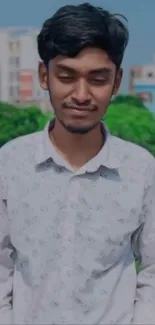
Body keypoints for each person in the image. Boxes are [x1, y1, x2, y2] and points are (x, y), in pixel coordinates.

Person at [0, 3, 155, 325]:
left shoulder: (141, 170)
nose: (81, 94)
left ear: (116, 82)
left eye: (97, 79)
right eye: (66, 77)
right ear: (45, 76)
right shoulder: (9, 164)